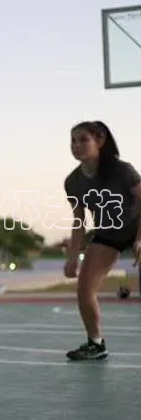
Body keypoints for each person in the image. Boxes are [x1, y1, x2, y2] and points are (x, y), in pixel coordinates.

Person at [63, 120, 141, 361]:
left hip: (137, 225)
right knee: (84, 287)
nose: (76, 145)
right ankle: (96, 344)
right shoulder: (73, 182)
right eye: (73, 141)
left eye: (83, 139)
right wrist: (73, 256)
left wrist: (140, 239)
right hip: (108, 233)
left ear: (100, 141)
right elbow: (79, 222)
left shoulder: (122, 170)